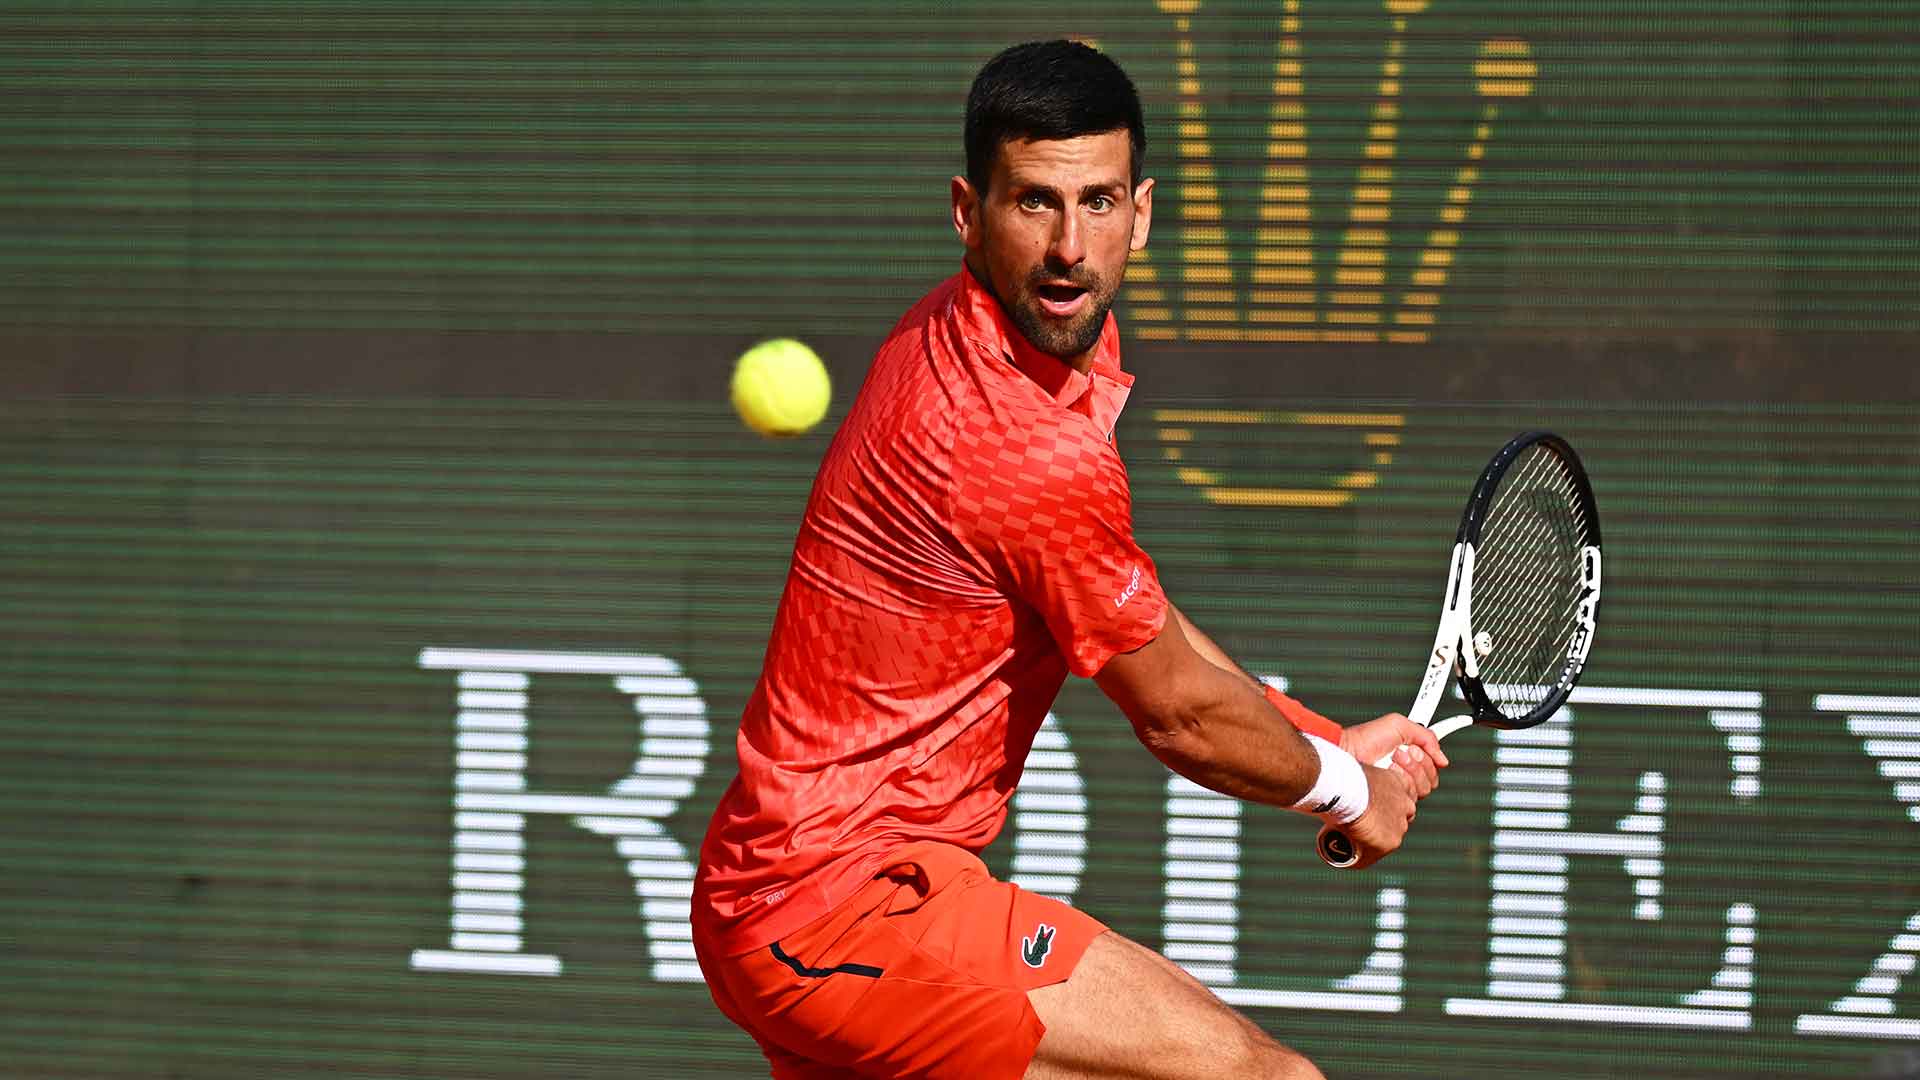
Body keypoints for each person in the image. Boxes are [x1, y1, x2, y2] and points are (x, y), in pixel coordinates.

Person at [691, 39, 1447, 1080]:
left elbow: (1141, 615)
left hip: (798, 900)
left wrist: (1323, 740)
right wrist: (1348, 792)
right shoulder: (1014, 441)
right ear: (968, 213)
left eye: (1098, 202)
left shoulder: (990, 331)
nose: (1069, 249)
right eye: (1034, 204)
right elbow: (1178, 713)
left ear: (1142, 212)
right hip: (841, 912)